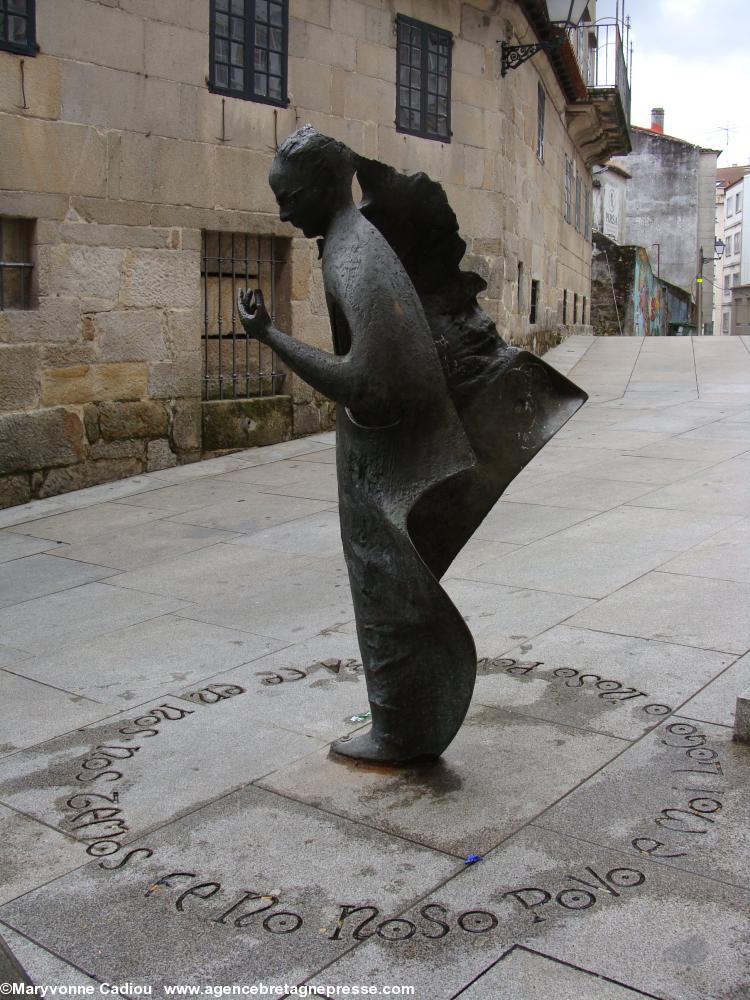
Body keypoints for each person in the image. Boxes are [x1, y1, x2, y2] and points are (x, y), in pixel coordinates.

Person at [237, 125, 479, 764]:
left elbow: (366, 382)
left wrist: (270, 337)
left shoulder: (353, 255)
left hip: (390, 455)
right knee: (381, 580)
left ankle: (401, 730)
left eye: (288, 196)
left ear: (321, 187)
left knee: (383, 580)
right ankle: (402, 723)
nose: (281, 210)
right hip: (383, 450)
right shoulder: (346, 242)